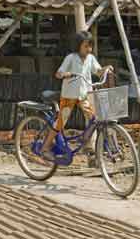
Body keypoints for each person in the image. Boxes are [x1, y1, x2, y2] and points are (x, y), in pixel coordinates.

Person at [42, 31, 113, 160]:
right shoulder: (71, 57)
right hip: (69, 96)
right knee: (60, 123)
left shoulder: (91, 58)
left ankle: (86, 142)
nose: (89, 49)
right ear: (78, 46)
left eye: (90, 46)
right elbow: (59, 73)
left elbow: (97, 71)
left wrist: (106, 69)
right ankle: (45, 147)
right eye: (86, 46)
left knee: (94, 119)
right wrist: (66, 74)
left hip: (84, 94)